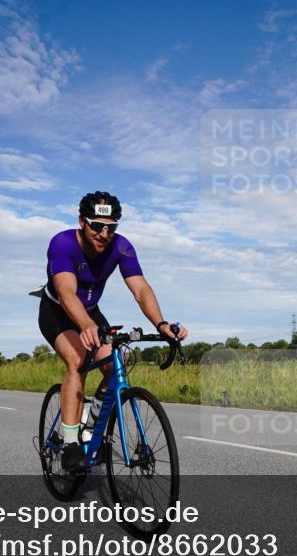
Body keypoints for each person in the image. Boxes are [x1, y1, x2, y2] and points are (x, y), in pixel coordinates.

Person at [38, 191, 188, 471]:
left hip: (91, 312)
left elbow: (141, 288)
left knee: (116, 365)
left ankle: (90, 428)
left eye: (111, 227)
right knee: (78, 360)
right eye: (97, 225)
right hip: (58, 310)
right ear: (82, 222)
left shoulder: (122, 247)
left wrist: (162, 324)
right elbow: (66, 291)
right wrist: (84, 325)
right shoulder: (62, 243)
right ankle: (70, 443)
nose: (104, 233)